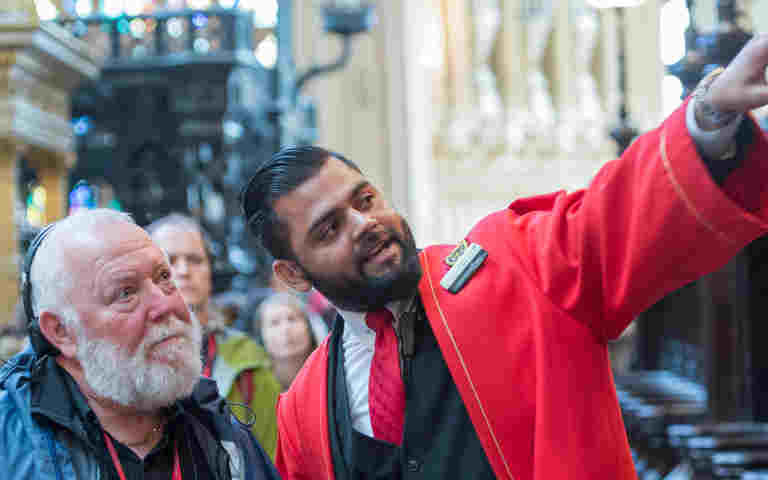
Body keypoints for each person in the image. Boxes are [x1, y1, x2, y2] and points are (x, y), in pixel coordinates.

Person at [240, 37, 768, 480]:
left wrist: (708, 113)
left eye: (365, 200)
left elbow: (616, 219)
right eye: (330, 228)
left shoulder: (513, 264)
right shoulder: (303, 411)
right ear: (292, 273)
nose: (365, 225)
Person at [0, 209, 279, 480]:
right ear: (62, 331)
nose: (165, 304)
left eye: (163, 277)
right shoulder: (10, 444)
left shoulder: (220, 431)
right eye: (125, 293)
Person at [147, 213, 282, 459]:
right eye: (169, 261)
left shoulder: (249, 362)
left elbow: (272, 462)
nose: (184, 270)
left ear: (210, 271)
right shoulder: (129, 361)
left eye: (195, 259)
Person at [254, 293, 323, 390]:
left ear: (309, 327)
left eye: (292, 319)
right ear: (261, 334)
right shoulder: (252, 384)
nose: (285, 329)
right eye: (275, 322)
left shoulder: (330, 372)